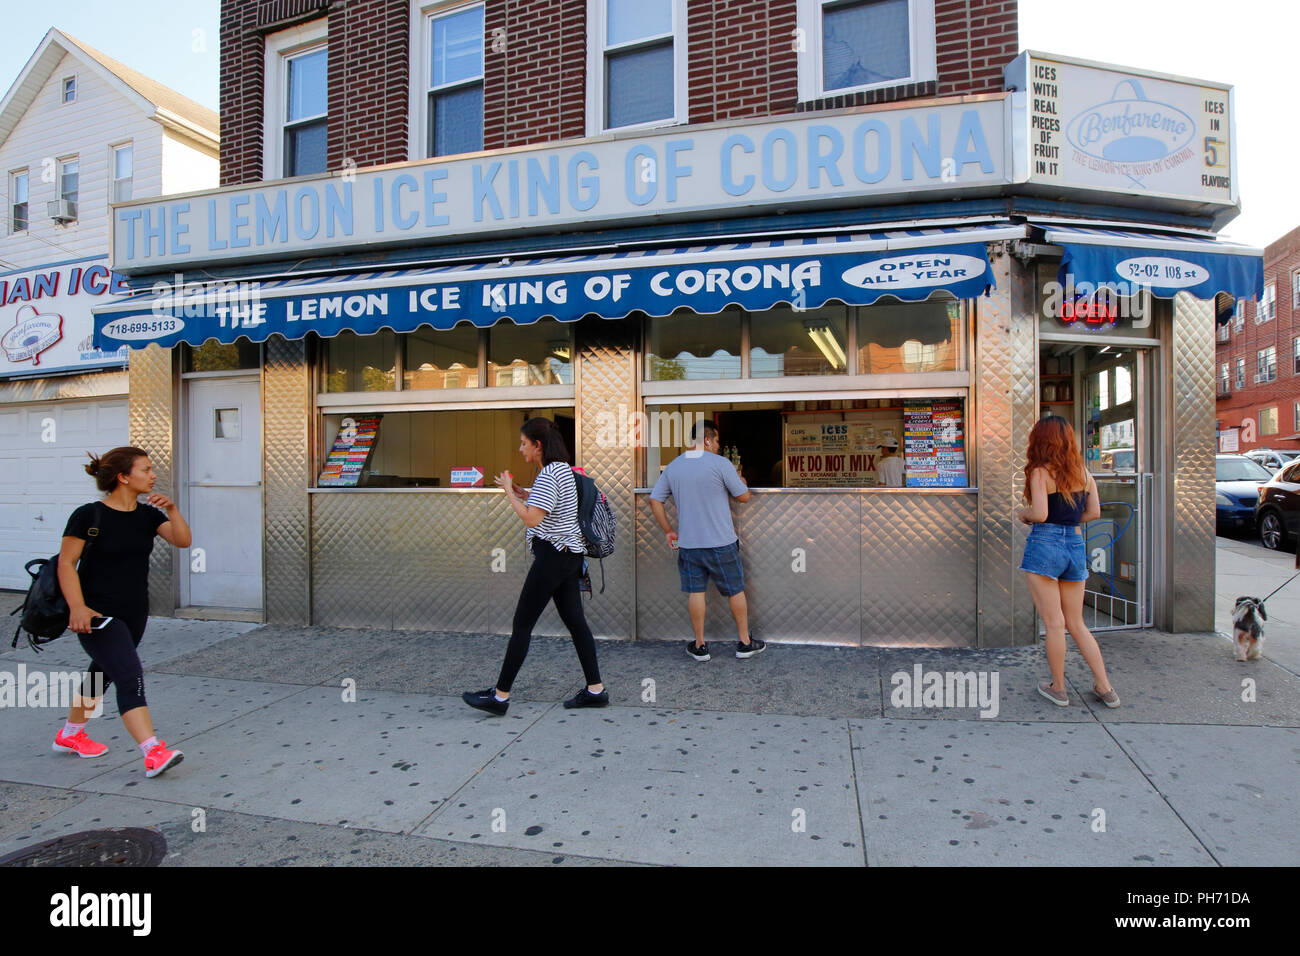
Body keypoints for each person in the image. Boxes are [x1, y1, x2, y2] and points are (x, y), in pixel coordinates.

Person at [52, 447, 193, 777]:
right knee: (129, 675)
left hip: (134, 613)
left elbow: (183, 541)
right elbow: (66, 563)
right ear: (123, 477)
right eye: (146, 469)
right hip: (97, 614)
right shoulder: (89, 515)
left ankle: (70, 735)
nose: (153, 474)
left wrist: (172, 509)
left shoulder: (148, 516)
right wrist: (77, 607)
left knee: (102, 674)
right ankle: (152, 751)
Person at [462, 418, 607, 715]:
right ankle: (596, 690)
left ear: (537, 446)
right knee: (576, 624)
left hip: (553, 558)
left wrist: (508, 492)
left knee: (522, 625)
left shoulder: (549, 474)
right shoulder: (562, 470)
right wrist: (521, 491)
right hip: (569, 557)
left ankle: (499, 697)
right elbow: (548, 505)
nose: (520, 449)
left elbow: (532, 519)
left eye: (523, 443)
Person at [1016, 416, 1120, 708]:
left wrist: (1021, 514)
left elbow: (1040, 514)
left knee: (1053, 623)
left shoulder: (1039, 472)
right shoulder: (1085, 473)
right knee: (1076, 623)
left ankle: (1058, 688)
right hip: (1075, 543)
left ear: (1041, 440)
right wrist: (1070, 522)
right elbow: (1094, 512)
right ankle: (1105, 687)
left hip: (1045, 545)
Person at [650, 419, 765, 662]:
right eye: (717, 442)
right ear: (707, 440)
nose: (718, 446)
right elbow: (743, 497)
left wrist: (668, 530)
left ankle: (700, 646)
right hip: (721, 542)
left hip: (690, 545)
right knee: (735, 590)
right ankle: (744, 643)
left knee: (696, 592)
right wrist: (742, 481)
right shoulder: (721, 464)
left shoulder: (674, 466)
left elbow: (655, 500)